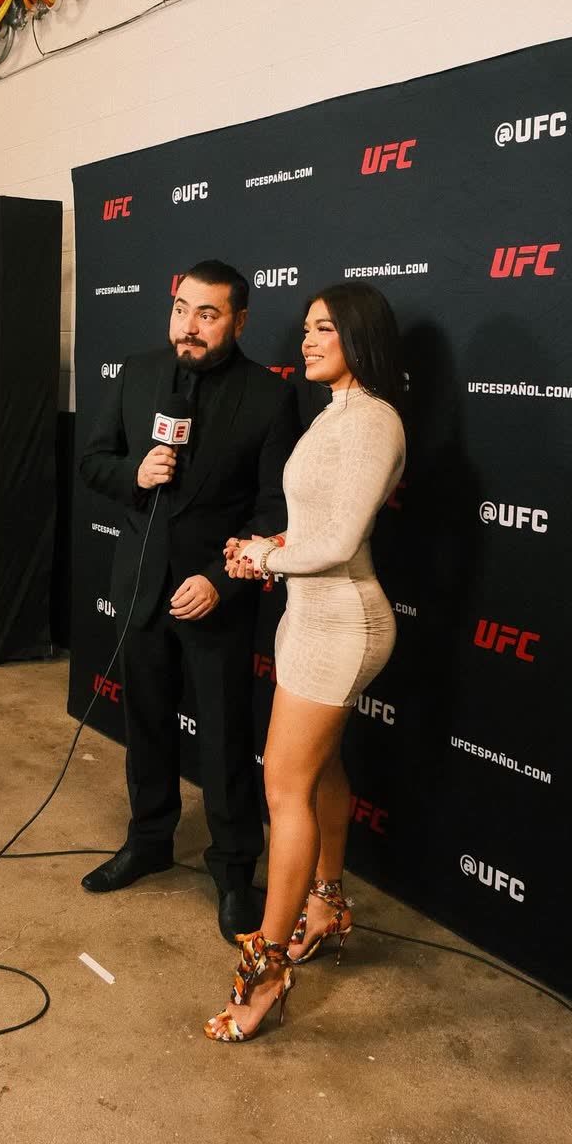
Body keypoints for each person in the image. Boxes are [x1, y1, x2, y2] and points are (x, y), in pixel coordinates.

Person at [204, 281, 406, 1041]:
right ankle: (326, 904)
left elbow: (344, 539)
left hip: (342, 623)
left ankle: (265, 973)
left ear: (360, 335)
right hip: (309, 616)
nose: (308, 340)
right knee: (318, 772)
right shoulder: (335, 412)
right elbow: (317, 526)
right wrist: (271, 547)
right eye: (307, 328)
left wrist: (266, 556)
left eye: (325, 328)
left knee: (284, 787)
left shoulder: (374, 419)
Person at [79, 259, 301, 942]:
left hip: (215, 598)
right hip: (142, 589)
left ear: (239, 321)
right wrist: (135, 474)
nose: (190, 326)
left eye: (208, 314)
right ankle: (149, 841)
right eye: (182, 310)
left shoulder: (270, 395)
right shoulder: (138, 372)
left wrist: (221, 580)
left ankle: (234, 871)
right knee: (146, 724)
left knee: (227, 739)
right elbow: (93, 461)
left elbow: (274, 508)